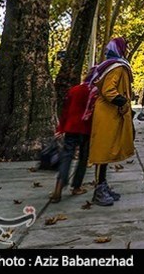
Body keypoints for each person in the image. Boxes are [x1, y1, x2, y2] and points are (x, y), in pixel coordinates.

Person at [87, 37, 135, 206]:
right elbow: (109, 90)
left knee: (106, 152)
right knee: (102, 152)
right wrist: (122, 102)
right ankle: (99, 191)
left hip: (108, 113)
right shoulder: (117, 67)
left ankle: (103, 185)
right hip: (108, 113)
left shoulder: (110, 65)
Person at [50, 75, 93, 203]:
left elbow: (65, 111)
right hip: (86, 129)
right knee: (83, 159)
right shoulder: (94, 93)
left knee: (66, 157)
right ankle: (76, 186)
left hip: (71, 127)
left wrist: (60, 128)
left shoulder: (74, 90)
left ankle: (59, 185)